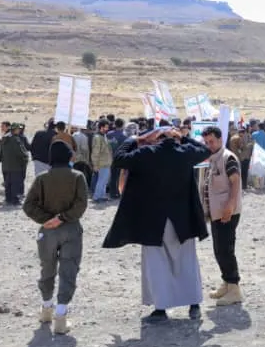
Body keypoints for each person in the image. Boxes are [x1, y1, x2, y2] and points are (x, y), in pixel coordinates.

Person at [103, 127, 212, 324]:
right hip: (182, 219)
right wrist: (184, 138)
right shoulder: (185, 153)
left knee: (157, 263)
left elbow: (119, 158)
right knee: (187, 261)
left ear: (156, 139)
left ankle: (161, 308)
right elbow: (205, 150)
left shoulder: (147, 153)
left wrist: (137, 139)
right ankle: (194, 304)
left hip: (153, 220)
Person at [23, 141, 88, 335]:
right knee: (69, 270)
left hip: (48, 230)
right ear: (68, 156)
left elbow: (28, 205)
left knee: (47, 268)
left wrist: (47, 220)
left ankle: (46, 309)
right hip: (71, 229)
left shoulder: (42, 178)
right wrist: (62, 218)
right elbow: (81, 205)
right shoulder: (78, 177)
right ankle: (61, 316)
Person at [199, 127, 243, 306]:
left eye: (211, 141)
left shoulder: (228, 158)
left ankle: (234, 289)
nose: (209, 145)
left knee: (226, 250)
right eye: (206, 142)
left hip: (227, 212)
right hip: (216, 213)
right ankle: (226, 283)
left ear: (220, 139)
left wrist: (230, 205)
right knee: (219, 250)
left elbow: (235, 183)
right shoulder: (212, 158)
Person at [0, 122, 31, 205]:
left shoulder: (4, 138)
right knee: (15, 183)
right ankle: (15, 200)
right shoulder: (15, 139)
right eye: (18, 129)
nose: (19, 130)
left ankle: (8, 199)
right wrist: (25, 157)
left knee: (8, 183)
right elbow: (20, 152)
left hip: (6, 165)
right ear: (15, 129)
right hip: (16, 165)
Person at [90, 119, 114, 202]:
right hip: (101, 163)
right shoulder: (98, 137)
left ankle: (102, 196)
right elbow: (95, 152)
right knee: (101, 181)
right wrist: (95, 165)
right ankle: (96, 197)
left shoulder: (103, 136)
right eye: (106, 127)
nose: (107, 129)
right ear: (101, 127)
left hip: (106, 162)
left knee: (104, 181)